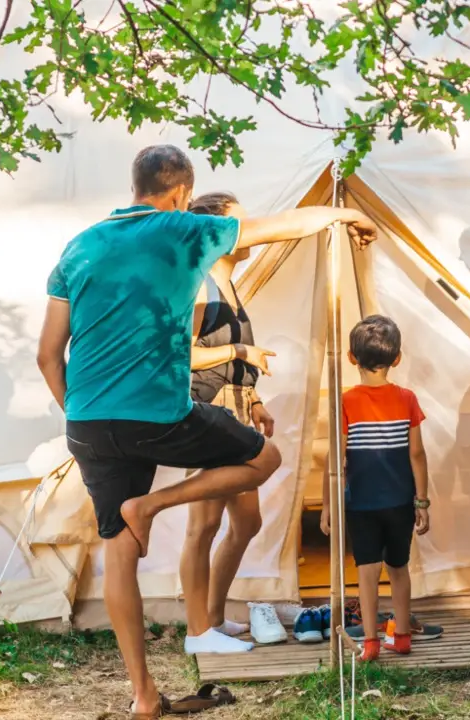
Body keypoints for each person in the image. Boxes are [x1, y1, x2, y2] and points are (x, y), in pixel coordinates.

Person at [37, 145, 377, 719]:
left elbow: (48, 355)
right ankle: (152, 506)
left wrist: (80, 413)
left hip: (88, 420)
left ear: (136, 184)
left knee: (118, 553)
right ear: (181, 194)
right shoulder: (185, 229)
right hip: (159, 412)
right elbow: (279, 226)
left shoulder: (80, 246)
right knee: (263, 459)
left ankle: (144, 697)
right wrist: (345, 215)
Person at [178, 191, 283, 653]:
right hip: (208, 414)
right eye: (236, 224)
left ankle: (215, 616)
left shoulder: (231, 285)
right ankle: (198, 631)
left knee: (247, 522)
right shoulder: (199, 284)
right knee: (203, 526)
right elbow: (182, 355)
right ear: (213, 233)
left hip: (237, 410)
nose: (246, 231)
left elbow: (229, 357)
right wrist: (241, 352)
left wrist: (254, 398)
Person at [320, 315, 430, 662]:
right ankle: (401, 636)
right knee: (399, 568)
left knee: (367, 572)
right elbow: (417, 453)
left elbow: (334, 459)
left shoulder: (345, 402)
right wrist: (422, 501)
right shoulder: (407, 398)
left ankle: (369, 642)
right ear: (397, 358)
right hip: (400, 501)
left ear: (351, 358)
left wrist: (327, 505)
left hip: (360, 503)